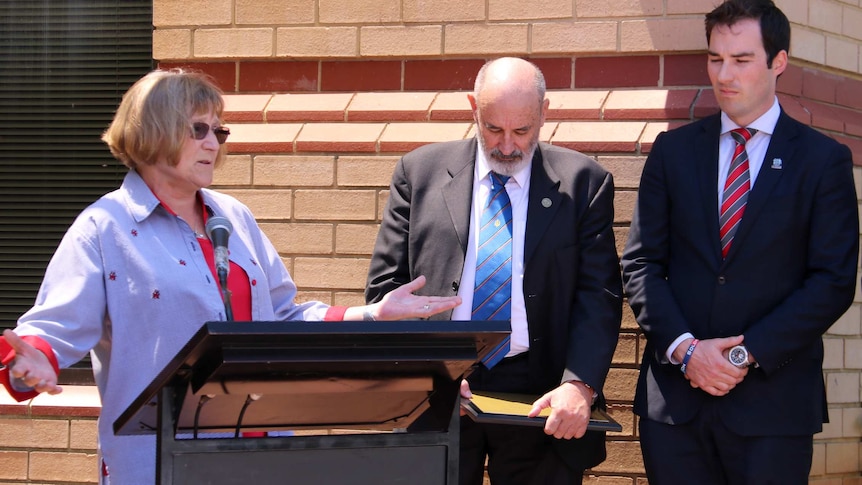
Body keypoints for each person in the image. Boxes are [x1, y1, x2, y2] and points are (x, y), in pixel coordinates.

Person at [0, 68, 461, 484]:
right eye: (198, 129)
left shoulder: (233, 217)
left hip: (259, 454)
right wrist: (33, 362)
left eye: (218, 131)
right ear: (152, 130)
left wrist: (372, 314)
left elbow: (280, 318)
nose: (213, 144)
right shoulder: (105, 228)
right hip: (159, 461)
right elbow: (49, 332)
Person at [620, 0, 859, 482]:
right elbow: (641, 264)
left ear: (778, 62)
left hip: (773, 407)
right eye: (715, 59)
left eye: (742, 60)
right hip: (676, 407)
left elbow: (831, 281)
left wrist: (737, 355)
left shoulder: (822, 161)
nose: (724, 74)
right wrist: (688, 351)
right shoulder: (673, 151)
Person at [366, 57, 623, 485]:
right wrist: (428, 367)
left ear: (544, 113)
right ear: (473, 108)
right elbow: (386, 287)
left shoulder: (584, 183)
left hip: (538, 393)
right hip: (440, 385)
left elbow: (599, 297)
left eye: (522, 131)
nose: (506, 145)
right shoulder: (420, 172)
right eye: (493, 129)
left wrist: (579, 385)